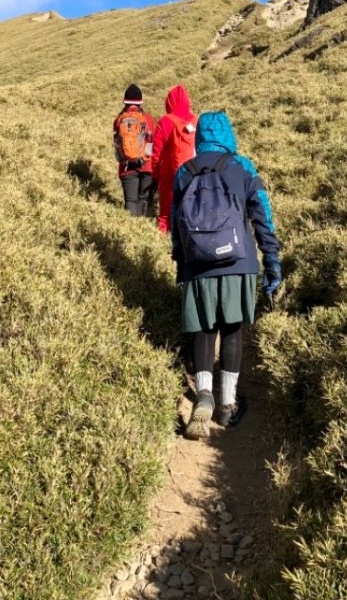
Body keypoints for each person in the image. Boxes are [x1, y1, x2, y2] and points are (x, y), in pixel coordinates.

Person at [171, 110, 283, 438]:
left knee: (204, 328)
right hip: (239, 261)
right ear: (229, 134)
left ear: (200, 136)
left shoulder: (184, 172)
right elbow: (262, 213)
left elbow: (177, 226)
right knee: (232, 329)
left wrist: (182, 263)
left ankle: (203, 394)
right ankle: (228, 406)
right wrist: (272, 258)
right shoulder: (242, 167)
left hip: (198, 265)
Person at [150, 84, 197, 233]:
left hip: (170, 174)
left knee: (165, 215)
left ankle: (164, 244)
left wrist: (155, 175)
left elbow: (156, 152)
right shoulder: (196, 120)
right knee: (190, 210)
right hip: (194, 172)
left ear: (169, 102)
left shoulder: (166, 121)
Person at [113, 84, 155, 216]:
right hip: (146, 167)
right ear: (140, 102)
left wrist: (125, 161)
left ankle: (132, 227)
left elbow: (117, 143)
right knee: (143, 199)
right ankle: (142, 226)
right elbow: (151, 142)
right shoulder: (148, 119)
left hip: (127, 167)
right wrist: (144, 160)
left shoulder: (118, 120)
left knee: (131, 201)